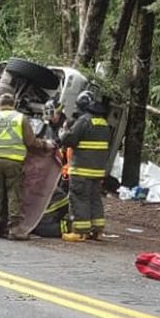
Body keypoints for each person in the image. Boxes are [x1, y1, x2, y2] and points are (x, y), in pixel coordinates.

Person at [0, 92, 54, 240]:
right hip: (14, 160)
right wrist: (45, 144)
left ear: (0, 104)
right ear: (14, 104)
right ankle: (14, 228)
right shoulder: (21, 118)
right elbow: (31, 141)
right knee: (14, 193)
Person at [60, 90, 111, 242]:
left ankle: (79, 231)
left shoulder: (84, 121)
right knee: (94, 198)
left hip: (81, 169)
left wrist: (63, 133)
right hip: (97, 171)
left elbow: (70, 140)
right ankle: (97, 231)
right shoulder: (103, 123)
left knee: (79, 198)